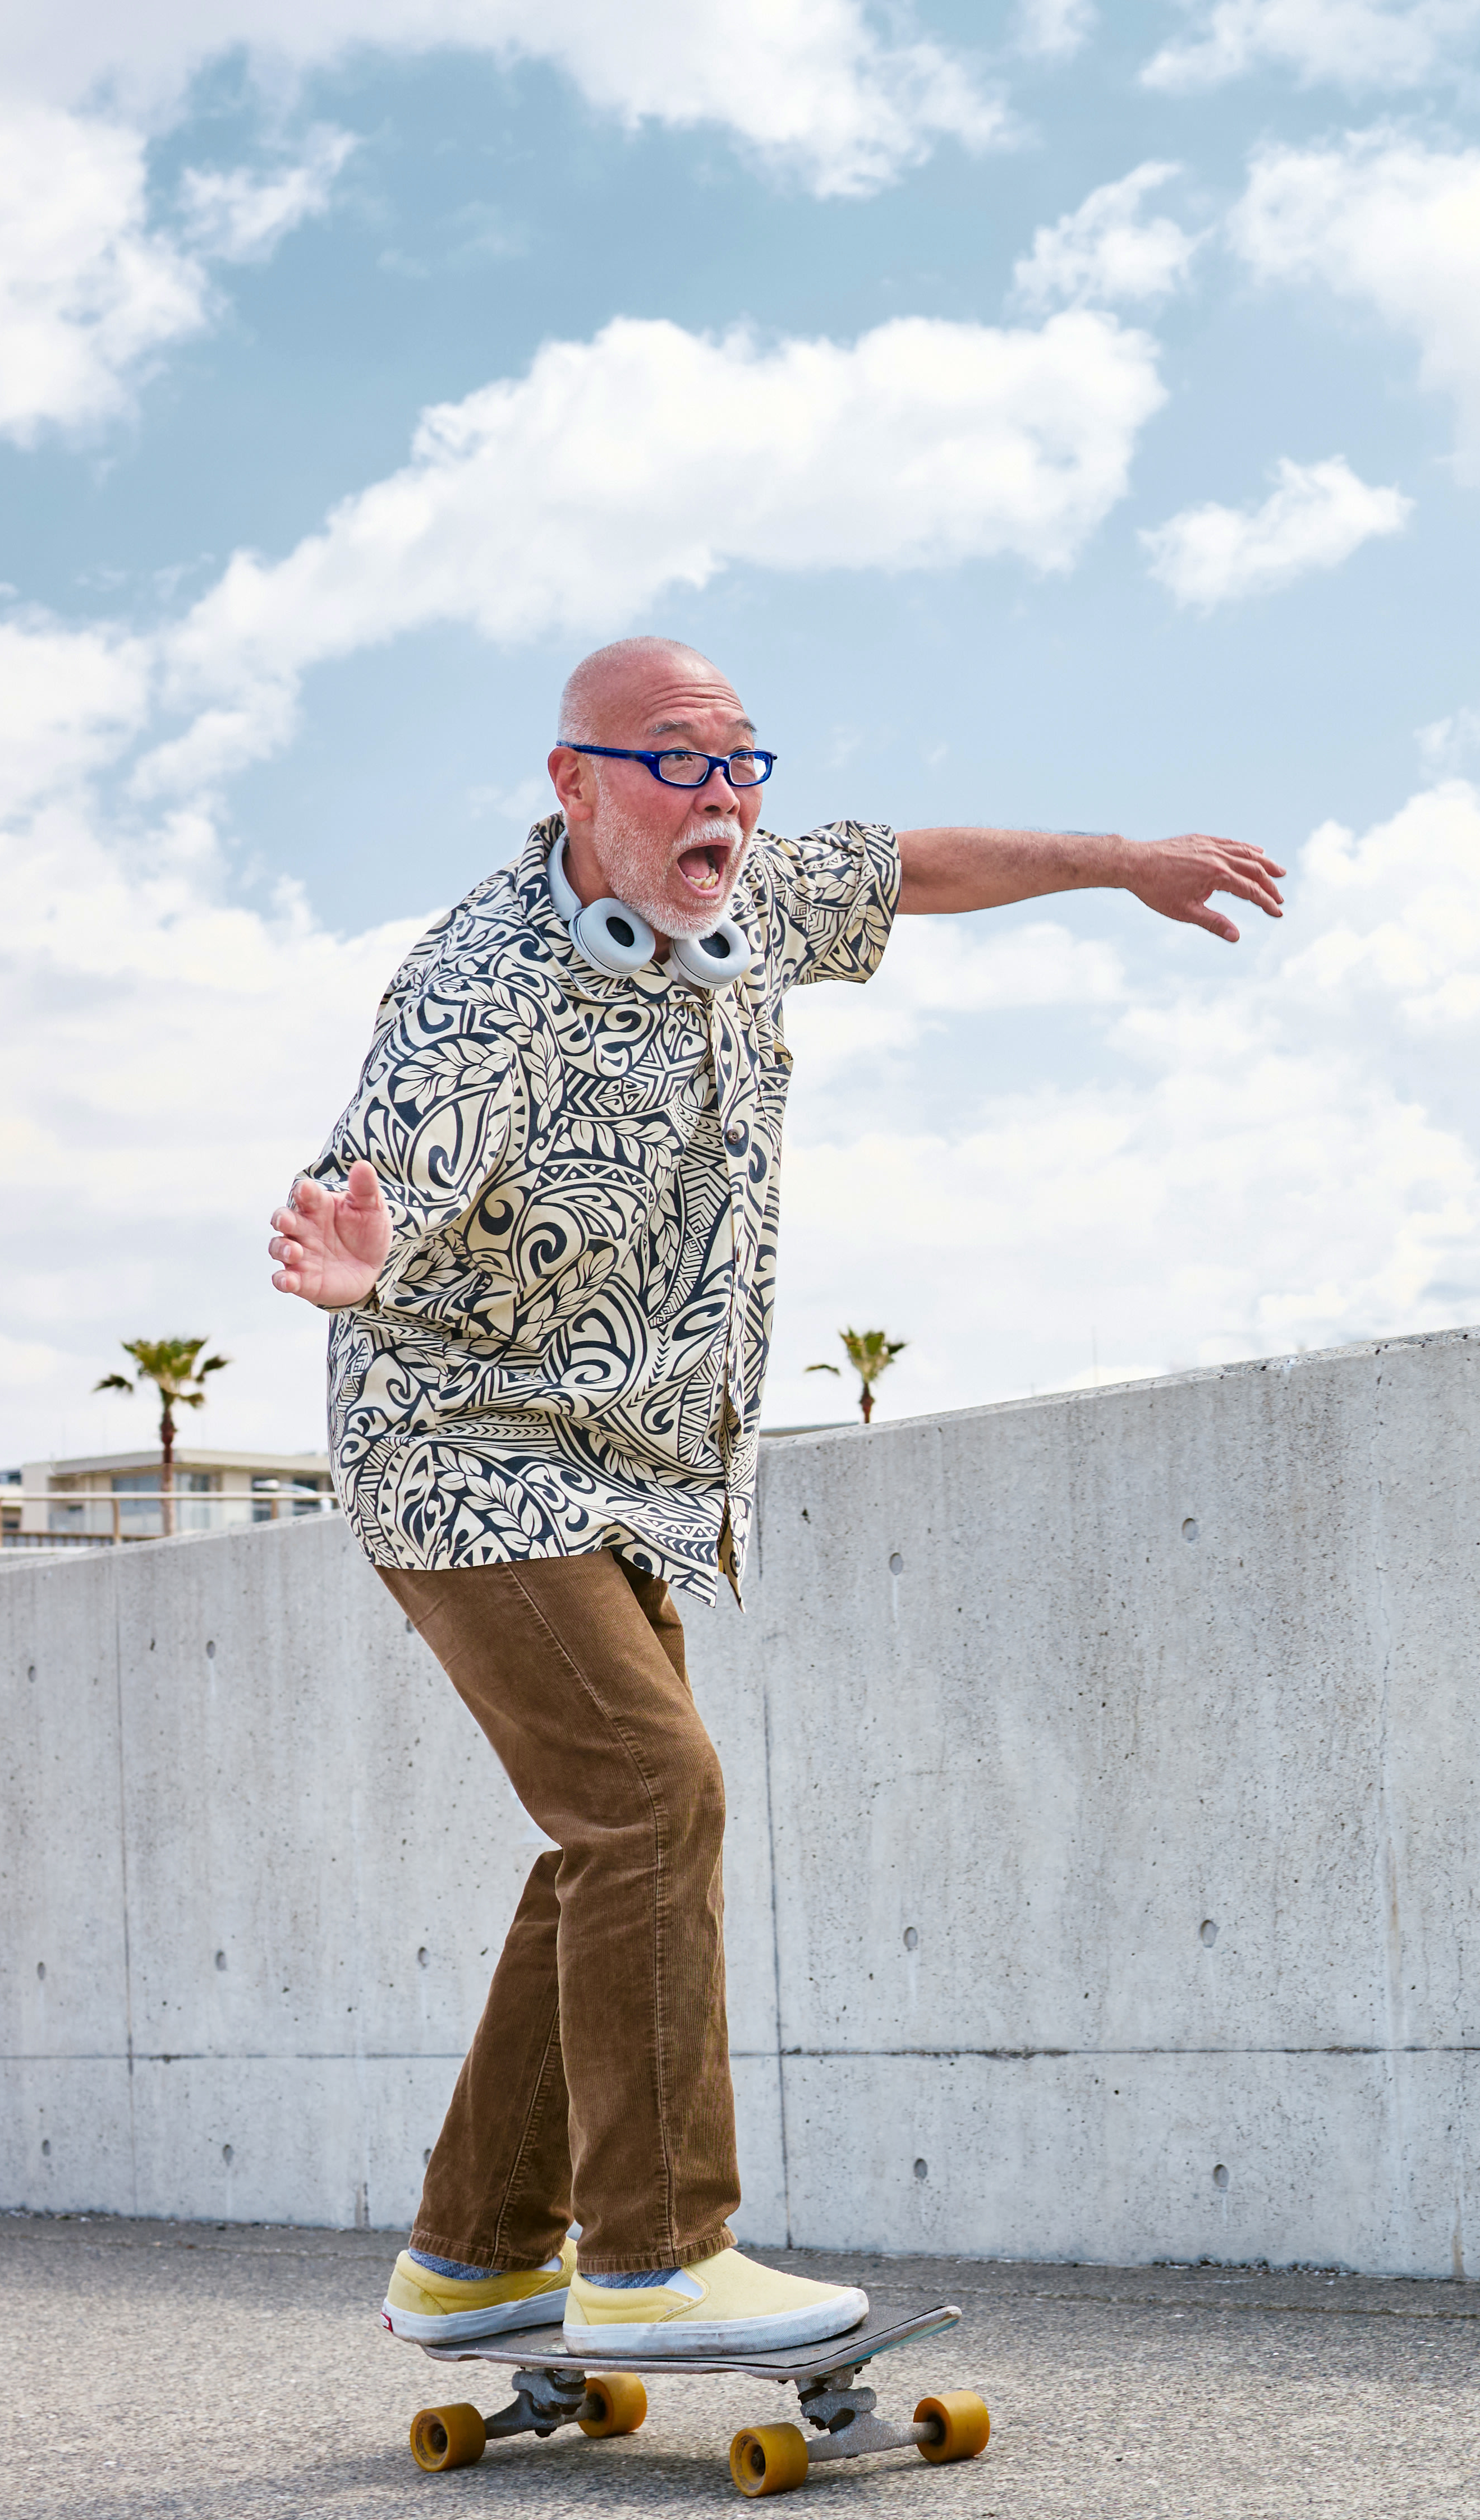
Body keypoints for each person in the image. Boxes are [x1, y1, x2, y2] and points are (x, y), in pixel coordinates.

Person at [266, 635, 1282, 2353]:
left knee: (612, 1834)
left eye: (743, 762)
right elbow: (386, 1169)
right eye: (676, 761)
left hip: (641, 1473)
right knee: (653, 1801)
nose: (722, 795)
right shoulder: (478, 986)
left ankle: (471, 2251)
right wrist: (360, 1258)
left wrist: (1124, 865)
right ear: (573, 783)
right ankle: (656, 2257)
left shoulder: (749, 910)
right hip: (467, 1451)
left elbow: (912, 866)